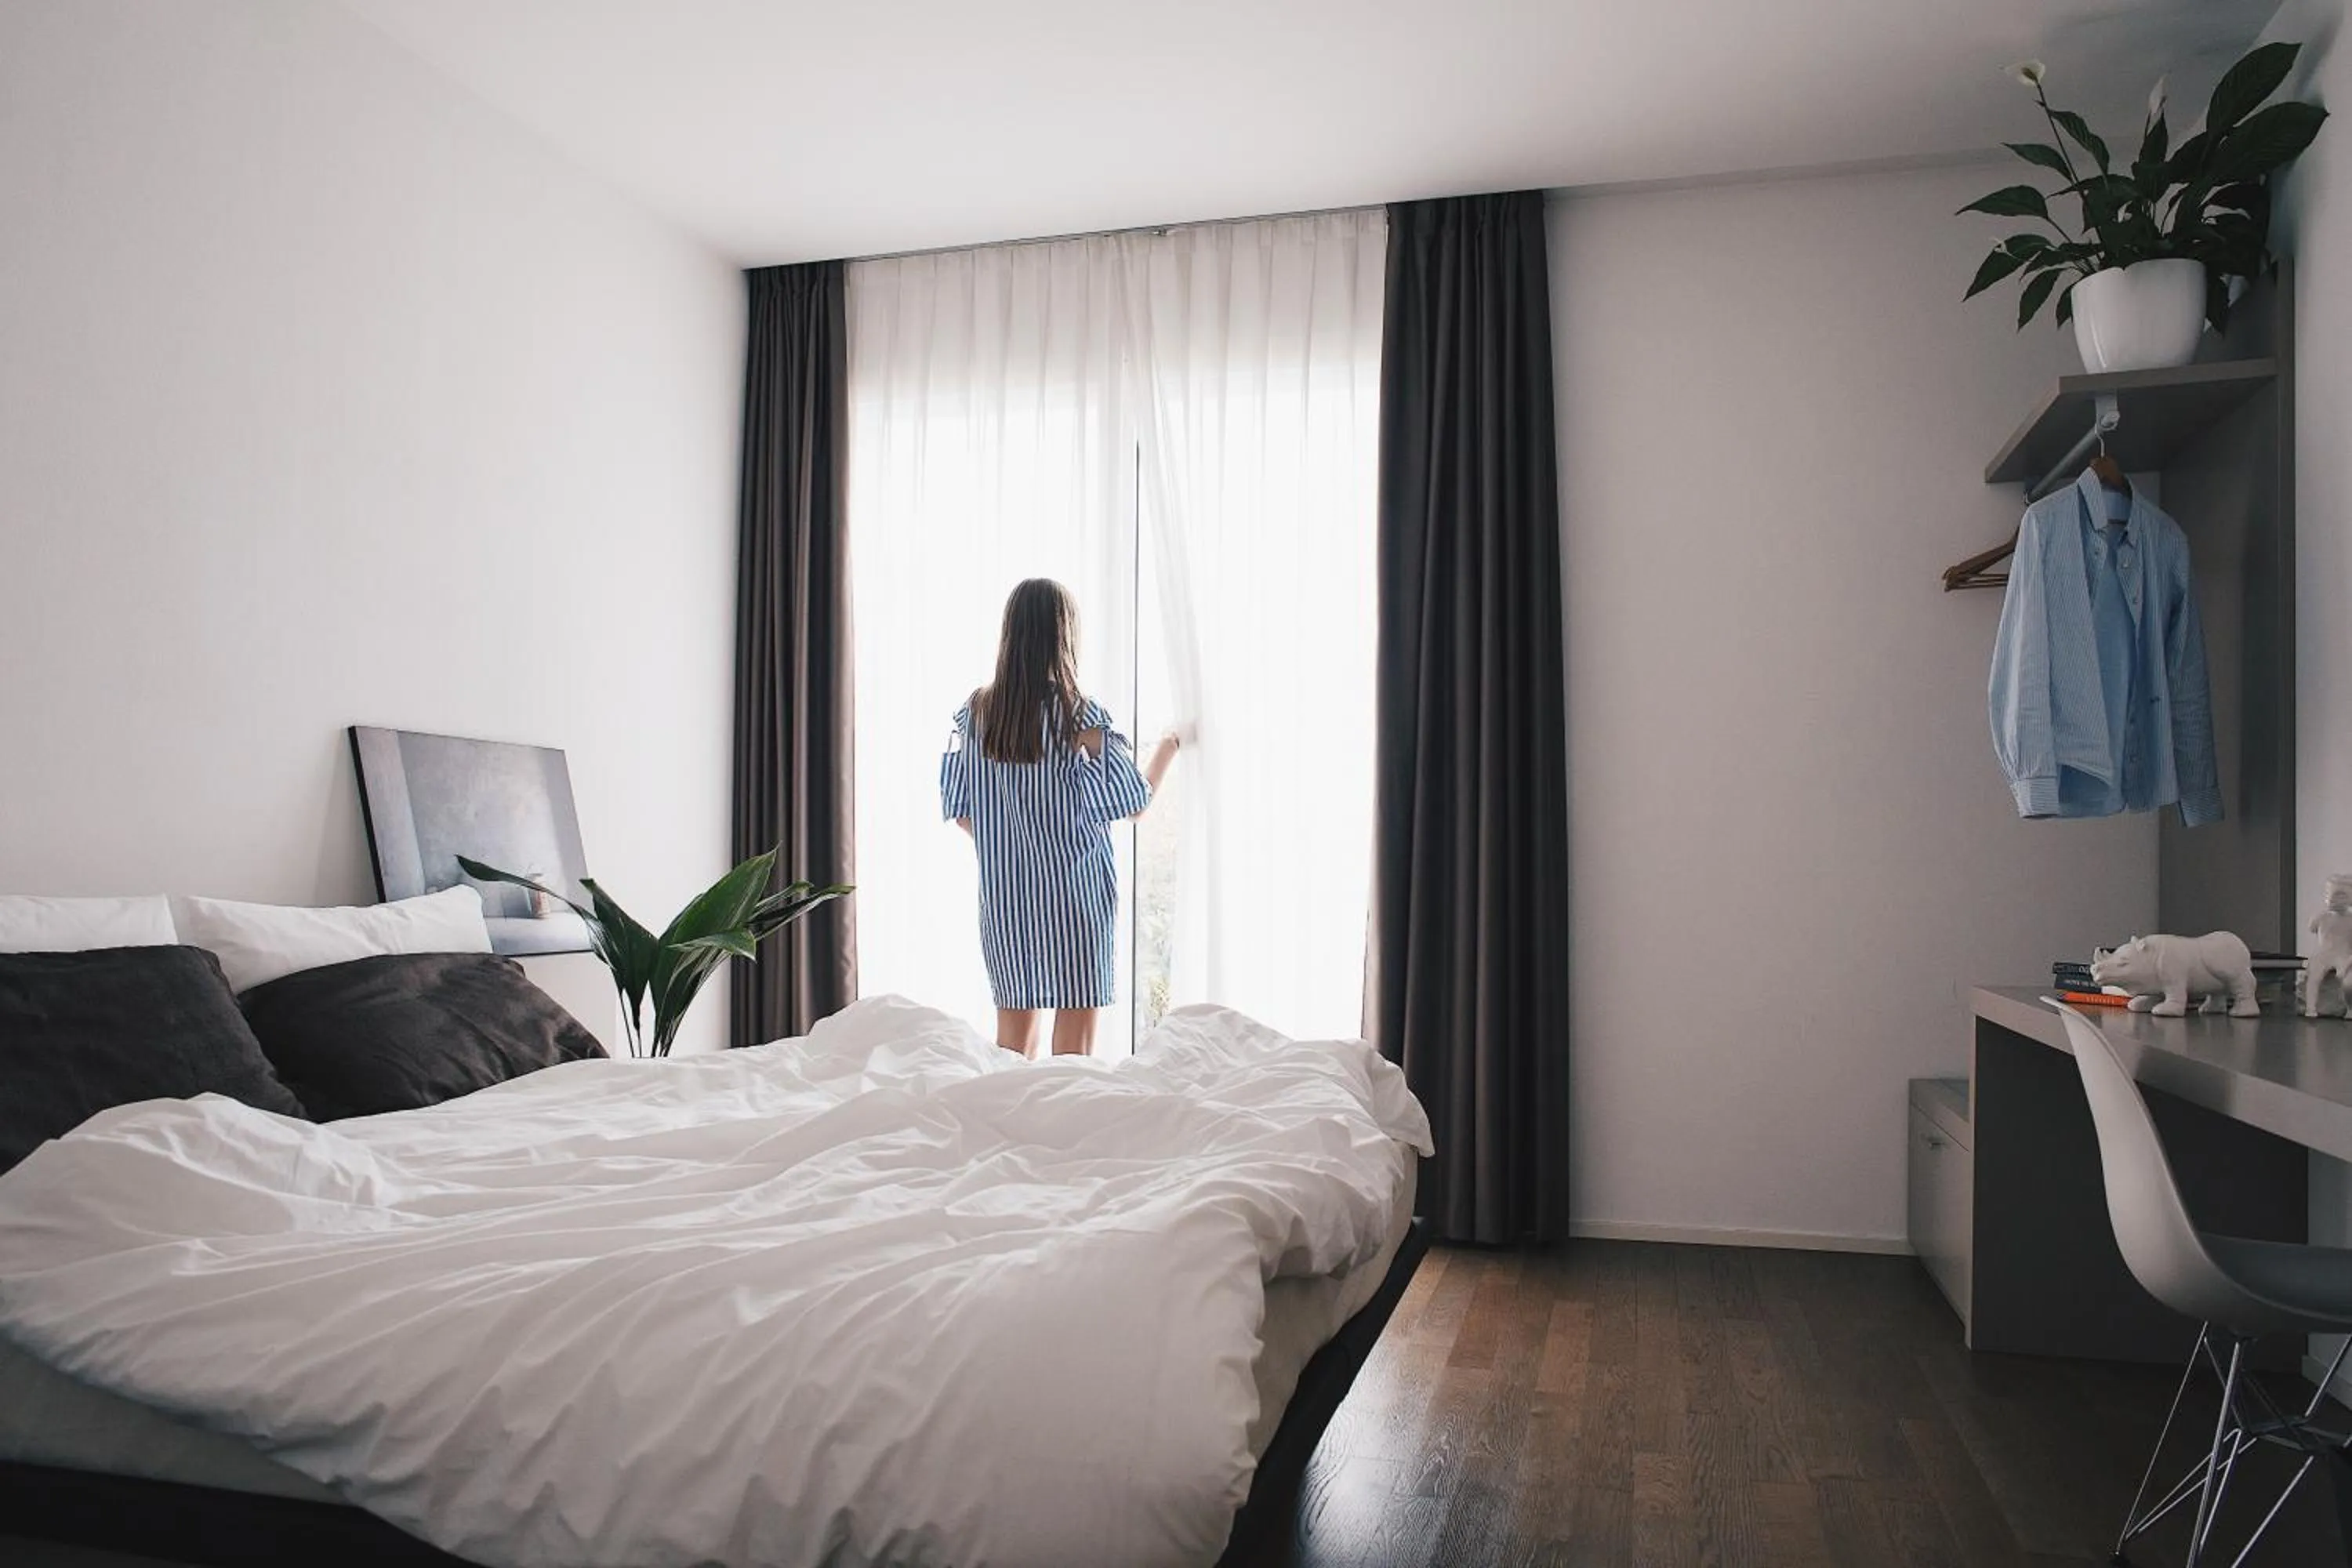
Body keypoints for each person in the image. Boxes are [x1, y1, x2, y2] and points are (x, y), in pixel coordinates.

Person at [941, 579, 1181, 1058]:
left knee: (1011, 1047)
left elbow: (962, 812)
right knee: (1074, 1054)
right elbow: (1132, 802)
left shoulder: (976, 714)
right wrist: (1168, 749)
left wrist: (1012, 835)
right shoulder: (1081, 716)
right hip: (1076, 900)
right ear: (1064, 636)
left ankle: (1009, 1130)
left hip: (1007, 902)